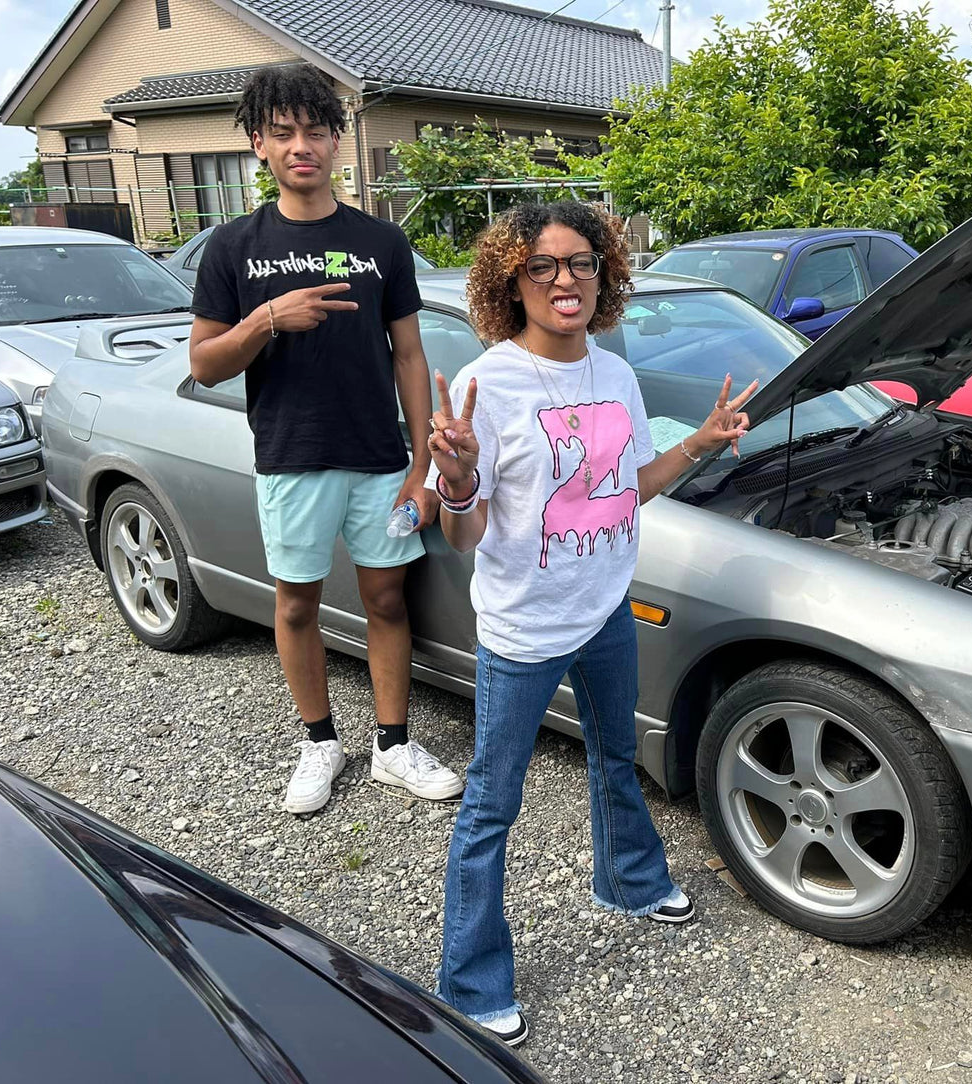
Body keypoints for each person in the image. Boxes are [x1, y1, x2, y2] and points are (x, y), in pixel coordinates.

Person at [426, 200, 756, 1047]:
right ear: (512, 283)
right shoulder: (486, 383)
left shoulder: (611, 371)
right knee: (493, 803)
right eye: (542, 266)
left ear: (604, 274)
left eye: (581, 263)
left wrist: (705, 442)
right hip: (523, 630)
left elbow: (630, 485)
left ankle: (631, 883)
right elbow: (464, 534)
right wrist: (456, 478)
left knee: (615, 758)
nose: (564, 280)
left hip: (605, 609)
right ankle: (468, 980)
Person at [188, 63, 462, 815]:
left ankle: (392, 744)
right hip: (291, 453)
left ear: (338, 141)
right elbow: (205, 365)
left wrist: (420, 466)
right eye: (282, 134)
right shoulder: (232, 246)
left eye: (315, 130)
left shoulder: (380, 240)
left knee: (387, 600)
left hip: (378, 457)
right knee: (296, 605)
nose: (300, 146)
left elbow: (409, 353)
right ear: (258, 146)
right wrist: (267, 318)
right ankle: (318, 742)